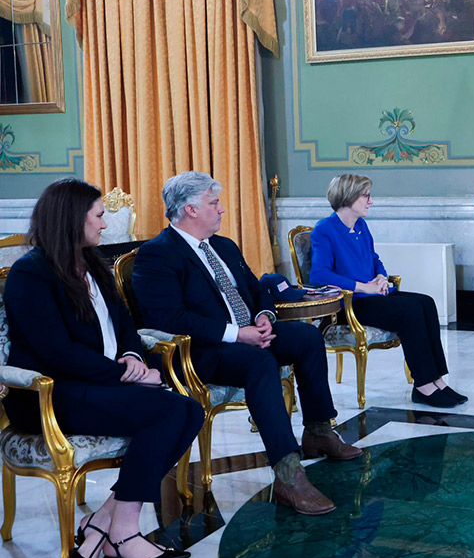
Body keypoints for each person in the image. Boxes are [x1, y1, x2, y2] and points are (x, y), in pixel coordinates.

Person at [2, 179, 204, 558]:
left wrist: (131, 355)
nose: (105, 223)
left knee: (188, 411)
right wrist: (124, 374)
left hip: (98, 383)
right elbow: (56, 352)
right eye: (98, 215)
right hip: (52, 395)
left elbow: (124, 321)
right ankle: (124, 534)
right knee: (169, 411)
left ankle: (105, 523)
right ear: (72, 219)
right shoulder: (31, 274)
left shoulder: (92, 262)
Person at [132, 171, 362, 516]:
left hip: (246, 334)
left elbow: (257, 289)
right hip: (201, 351)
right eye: (214, 203)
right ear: (191, 209)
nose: (221, 209)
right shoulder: (157, 255)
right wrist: (236, 334)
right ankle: (288, 473)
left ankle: (318, 430)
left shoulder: (224, 246)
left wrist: (264, 316)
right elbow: (169, 319)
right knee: (260, 363)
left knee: (307, 337)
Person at [309, 174, 467, 408]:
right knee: (409, 311)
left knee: (426, 302)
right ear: (349, 197)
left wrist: (381, 277)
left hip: (373, 297)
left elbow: (375, 259)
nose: (370, 201)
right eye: (366, 196)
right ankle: (423, 386)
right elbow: (319, 275)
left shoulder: (360, 226)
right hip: (350, 303)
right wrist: (364, 287)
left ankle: (438, 380)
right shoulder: (324, 229)